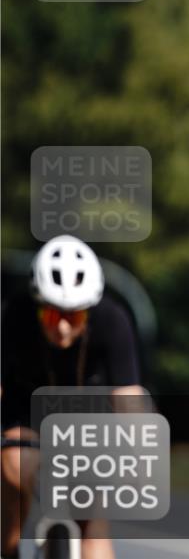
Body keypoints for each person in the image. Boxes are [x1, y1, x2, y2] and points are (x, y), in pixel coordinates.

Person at [1, 235, 144, 559]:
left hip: (88, 421)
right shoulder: (14, 317)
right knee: (11, 473)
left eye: (74, 317)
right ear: (37, 306)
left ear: (89, 311)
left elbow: (128, 395)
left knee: (93, 521)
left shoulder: (112, 320)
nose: (63, 328)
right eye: (52, 316)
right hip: (24, 419)